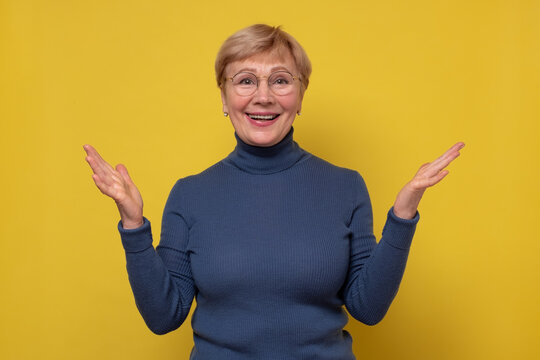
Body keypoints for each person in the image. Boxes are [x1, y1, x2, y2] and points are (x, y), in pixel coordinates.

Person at [83, 24, 464, 360]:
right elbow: (164, 317)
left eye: (280, 80)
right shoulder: (189, 195)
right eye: (245, 80)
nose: (263, 96)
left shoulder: (346, 186)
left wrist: (402, 217)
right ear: (223, 98)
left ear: (300, 96)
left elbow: (369, 308)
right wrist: (133, 225)